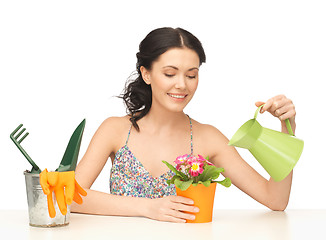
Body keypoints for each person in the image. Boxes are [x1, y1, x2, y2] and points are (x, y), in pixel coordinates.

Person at [71, 27, 296, 223]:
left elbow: (275, 199)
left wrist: (287, 132)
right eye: (170, 73)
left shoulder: (208, 137)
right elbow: (70, 196)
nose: (181, 85)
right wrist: (147, 208)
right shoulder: (116, 130)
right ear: (146, 74)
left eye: (191, 75)